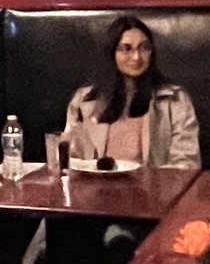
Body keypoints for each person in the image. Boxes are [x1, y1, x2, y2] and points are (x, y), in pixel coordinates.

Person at [61, 14, 201, 169]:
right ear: (112, 53)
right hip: (96, 189)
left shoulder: (174, 100)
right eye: (126, 49)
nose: (136, 57)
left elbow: (187, 165)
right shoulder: (85, 100)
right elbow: (69, 159)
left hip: (154, 190)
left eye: (144, 48)